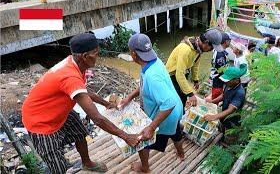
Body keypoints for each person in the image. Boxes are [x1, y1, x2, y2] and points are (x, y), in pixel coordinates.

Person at [22, 33, 139, 173]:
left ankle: (87, 162)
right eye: (96, 53)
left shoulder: (75, 64)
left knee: (79, 131)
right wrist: (125, 136)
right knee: (55, 161)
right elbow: (97, 118)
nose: (98, 56)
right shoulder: (69, 76)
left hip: (58, 109)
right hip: (39, 121)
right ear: (84, 56)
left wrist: (105, 103)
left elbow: (82, 89)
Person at [119, 33, 184, 173]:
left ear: (133, 54)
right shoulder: (154, 61)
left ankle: (145, 168)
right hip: (176, 110)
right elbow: (145, 86)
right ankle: (181, 154)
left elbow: (168, 103)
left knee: (142, 142)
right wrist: (129, 97)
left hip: (165, 115)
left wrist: (151, 127)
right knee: (176, 132)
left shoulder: (151, 75)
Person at [166, 28, 223, 108]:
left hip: (182, 74)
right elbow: (179, 74)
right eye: (212, 47)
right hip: (172, 76)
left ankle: (181, 115)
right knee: (176, 101)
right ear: (206, 43)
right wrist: (190, 94)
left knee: (183, 98)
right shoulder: (185, 49)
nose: (211, 50)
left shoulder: (198, 49)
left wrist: (195, 80)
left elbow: (195, 65)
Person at [203, 64, 247, 131]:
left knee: (229, 136)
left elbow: (230, 110)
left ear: (236, 80)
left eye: (227, 80)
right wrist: (212, 101)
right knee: (221, 130)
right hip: (223, 115)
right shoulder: (229, 85)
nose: (225, 82)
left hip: (232, 121)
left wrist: (213, 117)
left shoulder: (240, 92)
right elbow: (223, 95)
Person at [205, 33, 231, 102]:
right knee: (215, 100)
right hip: (218, 81)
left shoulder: (219, 50)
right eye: (229, 40)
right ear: (225, 42)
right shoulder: (220, 54)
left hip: (216, 78)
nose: (230, 42)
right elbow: (221, 70)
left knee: (214, 95)